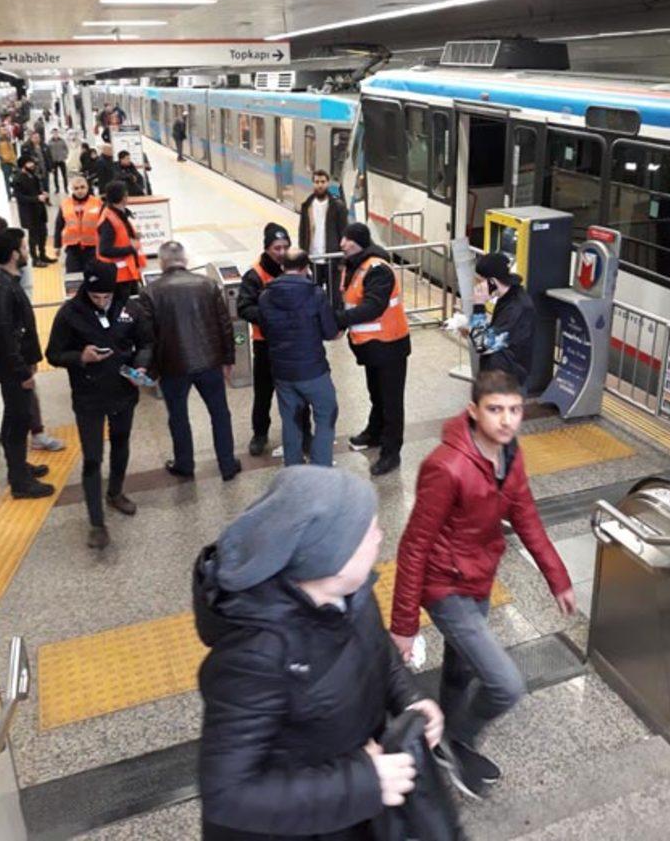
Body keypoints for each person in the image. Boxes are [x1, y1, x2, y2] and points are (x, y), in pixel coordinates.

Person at [194, 465, 444, 841]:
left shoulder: (353, 593)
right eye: (368, 531)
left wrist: (409, 698)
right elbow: (227, 794)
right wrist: (361, 783)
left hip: (352, 812)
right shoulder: (255, 655)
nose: (380, 536)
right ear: (330, 557)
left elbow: (379, 653)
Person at [390, 370, 576, 799]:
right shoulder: (446, 466)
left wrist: (558, 578)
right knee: (506, 684)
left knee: (461, 668)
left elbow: (526, 516)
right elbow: (414, 544)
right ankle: (458, 741)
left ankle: (443, 743)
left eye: (514, 410)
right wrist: (405, 624)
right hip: (445, 585)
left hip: (479, 578)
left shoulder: (511, 457)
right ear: (474, 412)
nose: (507, 420)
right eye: (495, 410)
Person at [46, 261, 153, 549]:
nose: (102, 302)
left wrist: (141, 367)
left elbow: (146, 342)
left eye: (106, 296)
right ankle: (96, 523)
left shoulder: (129, 309)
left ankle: (115, 492)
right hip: (88, 397)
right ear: (86, 291)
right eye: (96, 297)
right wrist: (81, 357)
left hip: (122, 392)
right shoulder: (69, 314)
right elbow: (53, 354)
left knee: (121, 443)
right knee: (93, 458)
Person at [141, 241, 240, 482]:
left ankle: (185, 465)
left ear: (162, 262)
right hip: (209, 363)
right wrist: (228, 359)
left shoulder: (151, 292)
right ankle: (227, 464)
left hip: (173, 366)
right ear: (184, 260)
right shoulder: (207, 285)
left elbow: (148, 336)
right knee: (219, 413)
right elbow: (225, 325)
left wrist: (151, 371)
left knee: (178, 416)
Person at [336, 223, 410, 477]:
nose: (342, 244)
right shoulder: (353, 266)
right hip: (371, 347)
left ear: (358, 242)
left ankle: (391, 453)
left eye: (346, 239)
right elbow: (349, 303)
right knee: (376, 394)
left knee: (391, 402)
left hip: (390, 345)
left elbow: (373, 307)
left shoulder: (378, 270)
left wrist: (338, 321)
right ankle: (375, 432)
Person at [259, 248, 339, 467]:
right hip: (313, 370)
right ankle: (321, 468)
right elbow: (330, 331)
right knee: (325, 414)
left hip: (283, 372)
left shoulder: (266, 296)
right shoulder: (315, 294)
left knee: (291, 420)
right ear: (306, 268)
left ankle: (293, 468)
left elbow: (266, 331)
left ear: (283, 267)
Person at [0, 228, 55, 499]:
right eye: (23, 248)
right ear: (13, 254)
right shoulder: (4, 288)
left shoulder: (8, 282)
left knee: (15, 416)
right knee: (17, 420)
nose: (26, 252)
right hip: (13, 370)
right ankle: (20, 482)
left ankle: (20, 467)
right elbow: (5, 333)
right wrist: (22, 371)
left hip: (14, 367)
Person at [237, 222, 291, 457]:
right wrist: (270, 318)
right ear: (267, 248)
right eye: (276, 248)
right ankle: (260, 434)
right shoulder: (255, 275)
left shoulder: (295, 268)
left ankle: (301, 431)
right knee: (263, 393)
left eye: (285, 247)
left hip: (292, 343)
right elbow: (243, 307)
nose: (281, 252)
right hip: (265, 344)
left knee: (295, 391)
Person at [469, 253, 536, 387]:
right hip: (498, 373)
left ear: (492, 282)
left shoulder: (517, 308)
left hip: (506, 380)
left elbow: (482, 344)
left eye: (479, 281)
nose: (476, 286)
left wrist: (479, 305)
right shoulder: (509, 297)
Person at [298, 169, 348, 303]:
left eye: (323, 182)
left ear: (328, 183)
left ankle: (334, 321)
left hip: (332, 258)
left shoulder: (338, 206)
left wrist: (343, 260)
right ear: (313, 183)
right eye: (316, 182)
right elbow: (303, 232)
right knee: (314, 295)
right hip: (313, 258)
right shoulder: (306, 206)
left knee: (334, 297)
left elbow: (344, 232)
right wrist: (303, 257)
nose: (320, 185)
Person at [95, 181, 146, 301]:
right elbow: (104, 250)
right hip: (118, 277)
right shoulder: (109, 219)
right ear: (124, 197)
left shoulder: (118, 214)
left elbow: (120, 237)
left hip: (127, 274)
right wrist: (131, 248)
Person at [54, 175, 102, 274]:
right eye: (76, 188)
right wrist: (57, 245)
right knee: (73, 279)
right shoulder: (65, 204)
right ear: (71, 189)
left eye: (82, 187)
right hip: (73, 248)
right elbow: (59, 225)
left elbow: (105, 225)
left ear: (87, 187)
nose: (80, 191)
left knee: (94, 278)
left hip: (93, 248)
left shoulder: (97, 203)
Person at [13, 156, 55, 267]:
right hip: (29, 213)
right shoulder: (18, 179)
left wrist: (43, 194)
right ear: (23, 165)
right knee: (33, 237)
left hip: (39, 210)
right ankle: (35, 259)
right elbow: (20, 197)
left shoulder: (34, 176)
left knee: (43, 234)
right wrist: (36, 198)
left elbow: (37, 190)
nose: (32, 165)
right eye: (29, 163)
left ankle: (43, 255)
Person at [47, 128, 69, 195]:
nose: (55, 134)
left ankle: (66, 188)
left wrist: (64, 155)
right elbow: (48, 151)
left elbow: (66, 148)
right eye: (54, 133)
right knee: (55, 176)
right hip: (54, 161)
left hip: (61, 160)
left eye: (56, 133)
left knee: (64, 175)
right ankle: (57, 189)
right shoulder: (50, 142)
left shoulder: (62, 141)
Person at [0, 124, 17, 198]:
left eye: (5, 129)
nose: (4, 131)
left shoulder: (8, 138)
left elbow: (12, 150)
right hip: (5, 162)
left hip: (12, 161)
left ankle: (14, 192)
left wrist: (14, 159)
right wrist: (2, 158)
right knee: (7, 179)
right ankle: (9, 194)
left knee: (15, 178)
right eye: (3, 130)